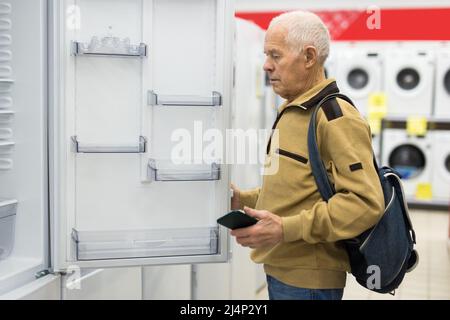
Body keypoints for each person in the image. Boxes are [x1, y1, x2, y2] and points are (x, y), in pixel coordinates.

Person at [230, 11, 384, 300]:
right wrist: (245, 200)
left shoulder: (335, 117)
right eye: (266, 55)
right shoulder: (296, 110)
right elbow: (299, 190)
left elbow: (365, 203)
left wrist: (285, 228)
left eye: (275, 55)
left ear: (309, 57)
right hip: (282, 268)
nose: (266, 65)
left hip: (309, 282)